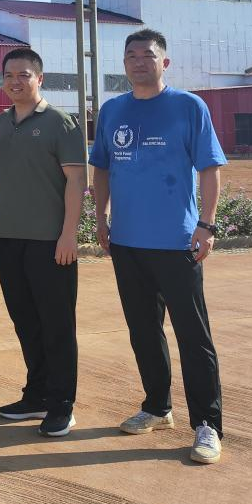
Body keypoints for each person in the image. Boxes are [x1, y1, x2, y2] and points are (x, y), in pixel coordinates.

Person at [90, 28, 227, 464]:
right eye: (130, 55)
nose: (138, 62)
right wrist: (101, 218)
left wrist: (206, 224)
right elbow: (101, 169)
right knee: (143, 330)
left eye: (147, 55)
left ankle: (207, 424)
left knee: (193, 334)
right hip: (127, 242)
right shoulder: (112, 110)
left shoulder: (188, 107)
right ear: (124, 64)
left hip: (177, 242)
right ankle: (157, 406)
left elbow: (209, 168)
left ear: (163, 62)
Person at [0, 49, 86, 437]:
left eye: (24, 75)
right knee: (26, 322)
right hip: (8, 239)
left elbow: (76, 182)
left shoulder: (60, 122)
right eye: (9, 75)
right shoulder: (0, 124)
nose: (16, 81)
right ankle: (36, 396)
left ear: (40, 79)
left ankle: (62, 404)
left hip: (50, 242)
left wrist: (68, 234)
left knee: (57, 325)